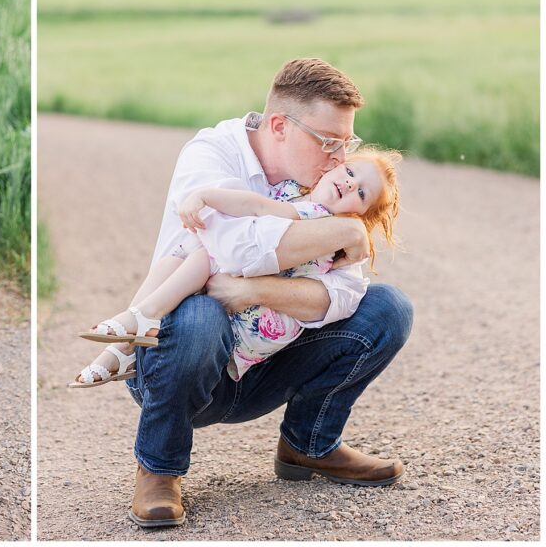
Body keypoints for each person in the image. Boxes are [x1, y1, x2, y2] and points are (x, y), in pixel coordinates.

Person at [124, 58, 414, 528]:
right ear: (280, 125)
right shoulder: (213, 153)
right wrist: (343, 232)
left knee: (389, 309)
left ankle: (308, 445)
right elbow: (233, 248)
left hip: (261, 364)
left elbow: (342, 295)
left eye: (347, 144)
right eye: (329, 143)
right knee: (201, 314)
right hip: (182, 359)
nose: (340, 159)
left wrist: (255, 290)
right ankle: (159, 467)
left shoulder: (325, 191)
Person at [72, 149, 401, 387]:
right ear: (334, 167)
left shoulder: (323, 221)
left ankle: (141, 320)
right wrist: (203, 196)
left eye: (361, 192)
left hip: (260, 321)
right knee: (176, 257)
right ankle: (125, 343)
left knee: (204, 255)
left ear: (360, 214)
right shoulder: (293, 195)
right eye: (350, 172)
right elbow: (254, 206)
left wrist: (205, 197)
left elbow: (255, 207)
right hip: (245, 299)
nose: (349, 184)